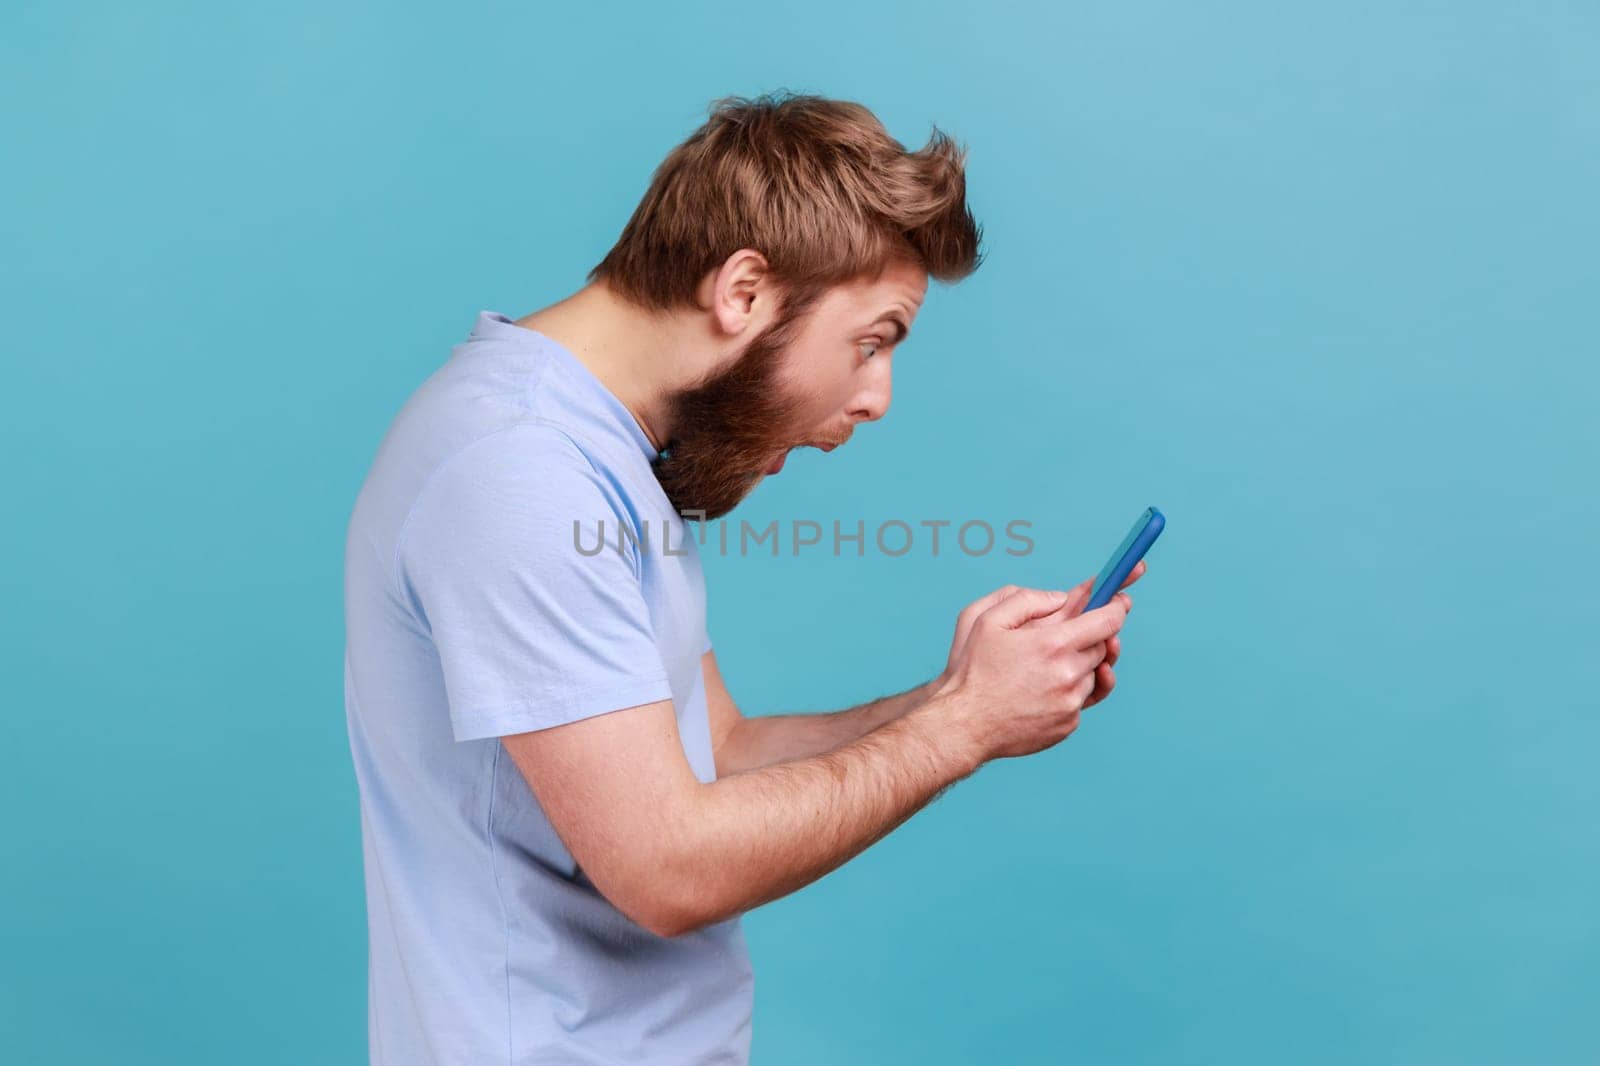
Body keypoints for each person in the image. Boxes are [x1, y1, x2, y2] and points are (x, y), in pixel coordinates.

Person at [342, 90, 1142, 1065]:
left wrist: (958, 693)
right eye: (873, 340)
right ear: (743, 292)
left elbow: (716, 747)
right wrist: (965, 726)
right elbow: (667, 867)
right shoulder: (520, 471)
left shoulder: (609, 455)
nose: (878, 396)